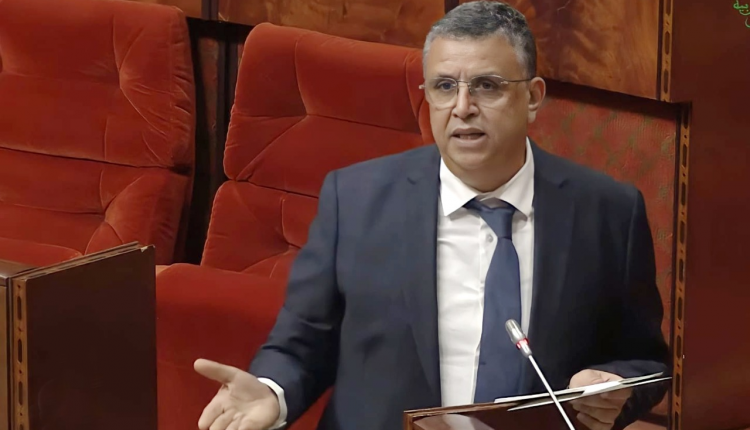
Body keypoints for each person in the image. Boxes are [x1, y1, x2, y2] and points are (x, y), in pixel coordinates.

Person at [193, 2, 670, 430]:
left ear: (532, 97)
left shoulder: (608, 212)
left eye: (487, 86)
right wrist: (273, 393)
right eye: (445, 87)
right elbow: (302, 342)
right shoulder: (355, 200)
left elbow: (644, 360)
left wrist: (616, 387)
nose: (463, 108)